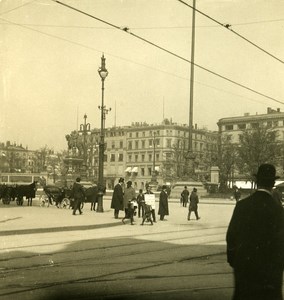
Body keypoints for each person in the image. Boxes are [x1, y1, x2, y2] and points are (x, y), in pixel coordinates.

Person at [226, 164, 284, 300]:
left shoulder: (242, 206)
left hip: (244, 267)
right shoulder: (278, 210)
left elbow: (231, 236)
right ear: (273, 184)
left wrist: (234, 260)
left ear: (257, 182)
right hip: (270, 270)